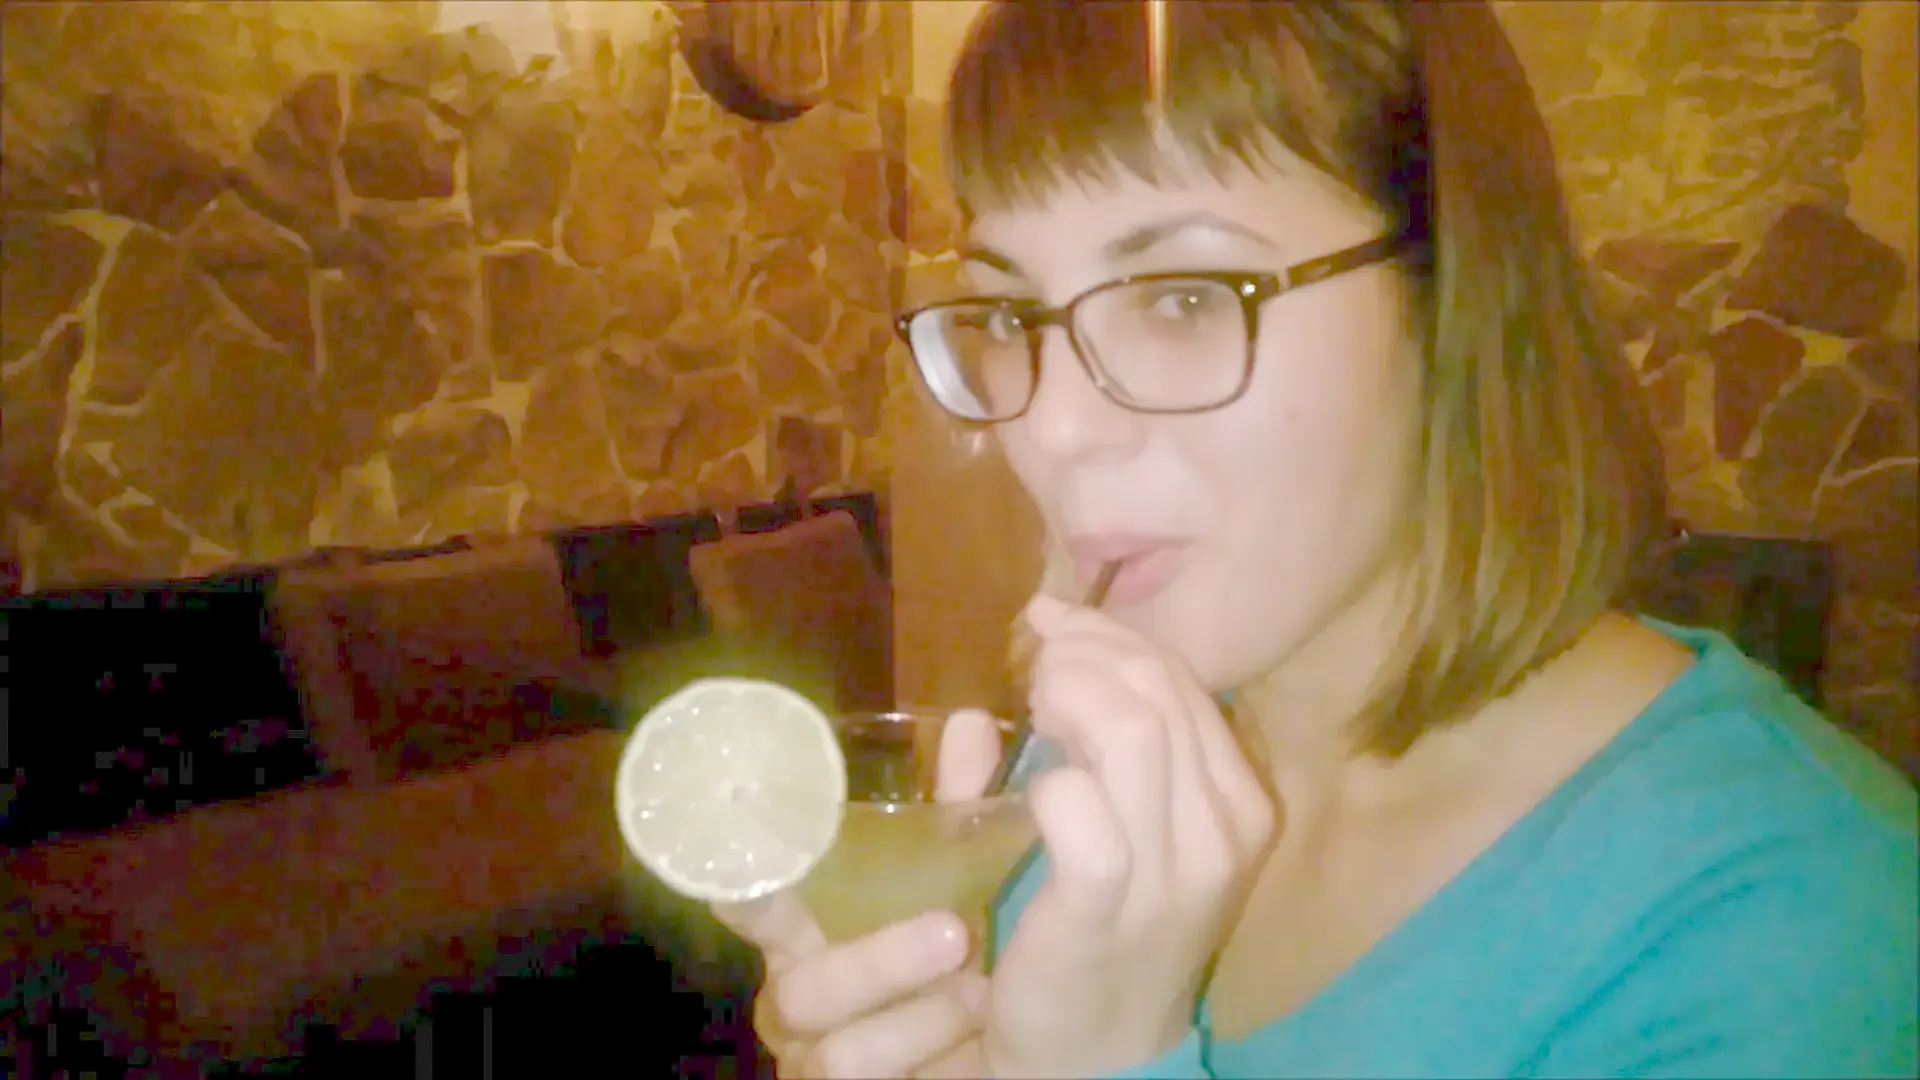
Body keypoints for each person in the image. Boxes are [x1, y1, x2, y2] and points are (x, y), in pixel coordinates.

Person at [712, 2, 1920, 1076]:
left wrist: (1113, 1064)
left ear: (1452, 296)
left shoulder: (1793, 926)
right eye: (1012, 312)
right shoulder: (1085, 770)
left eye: (1185, 298)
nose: (1053, 425)